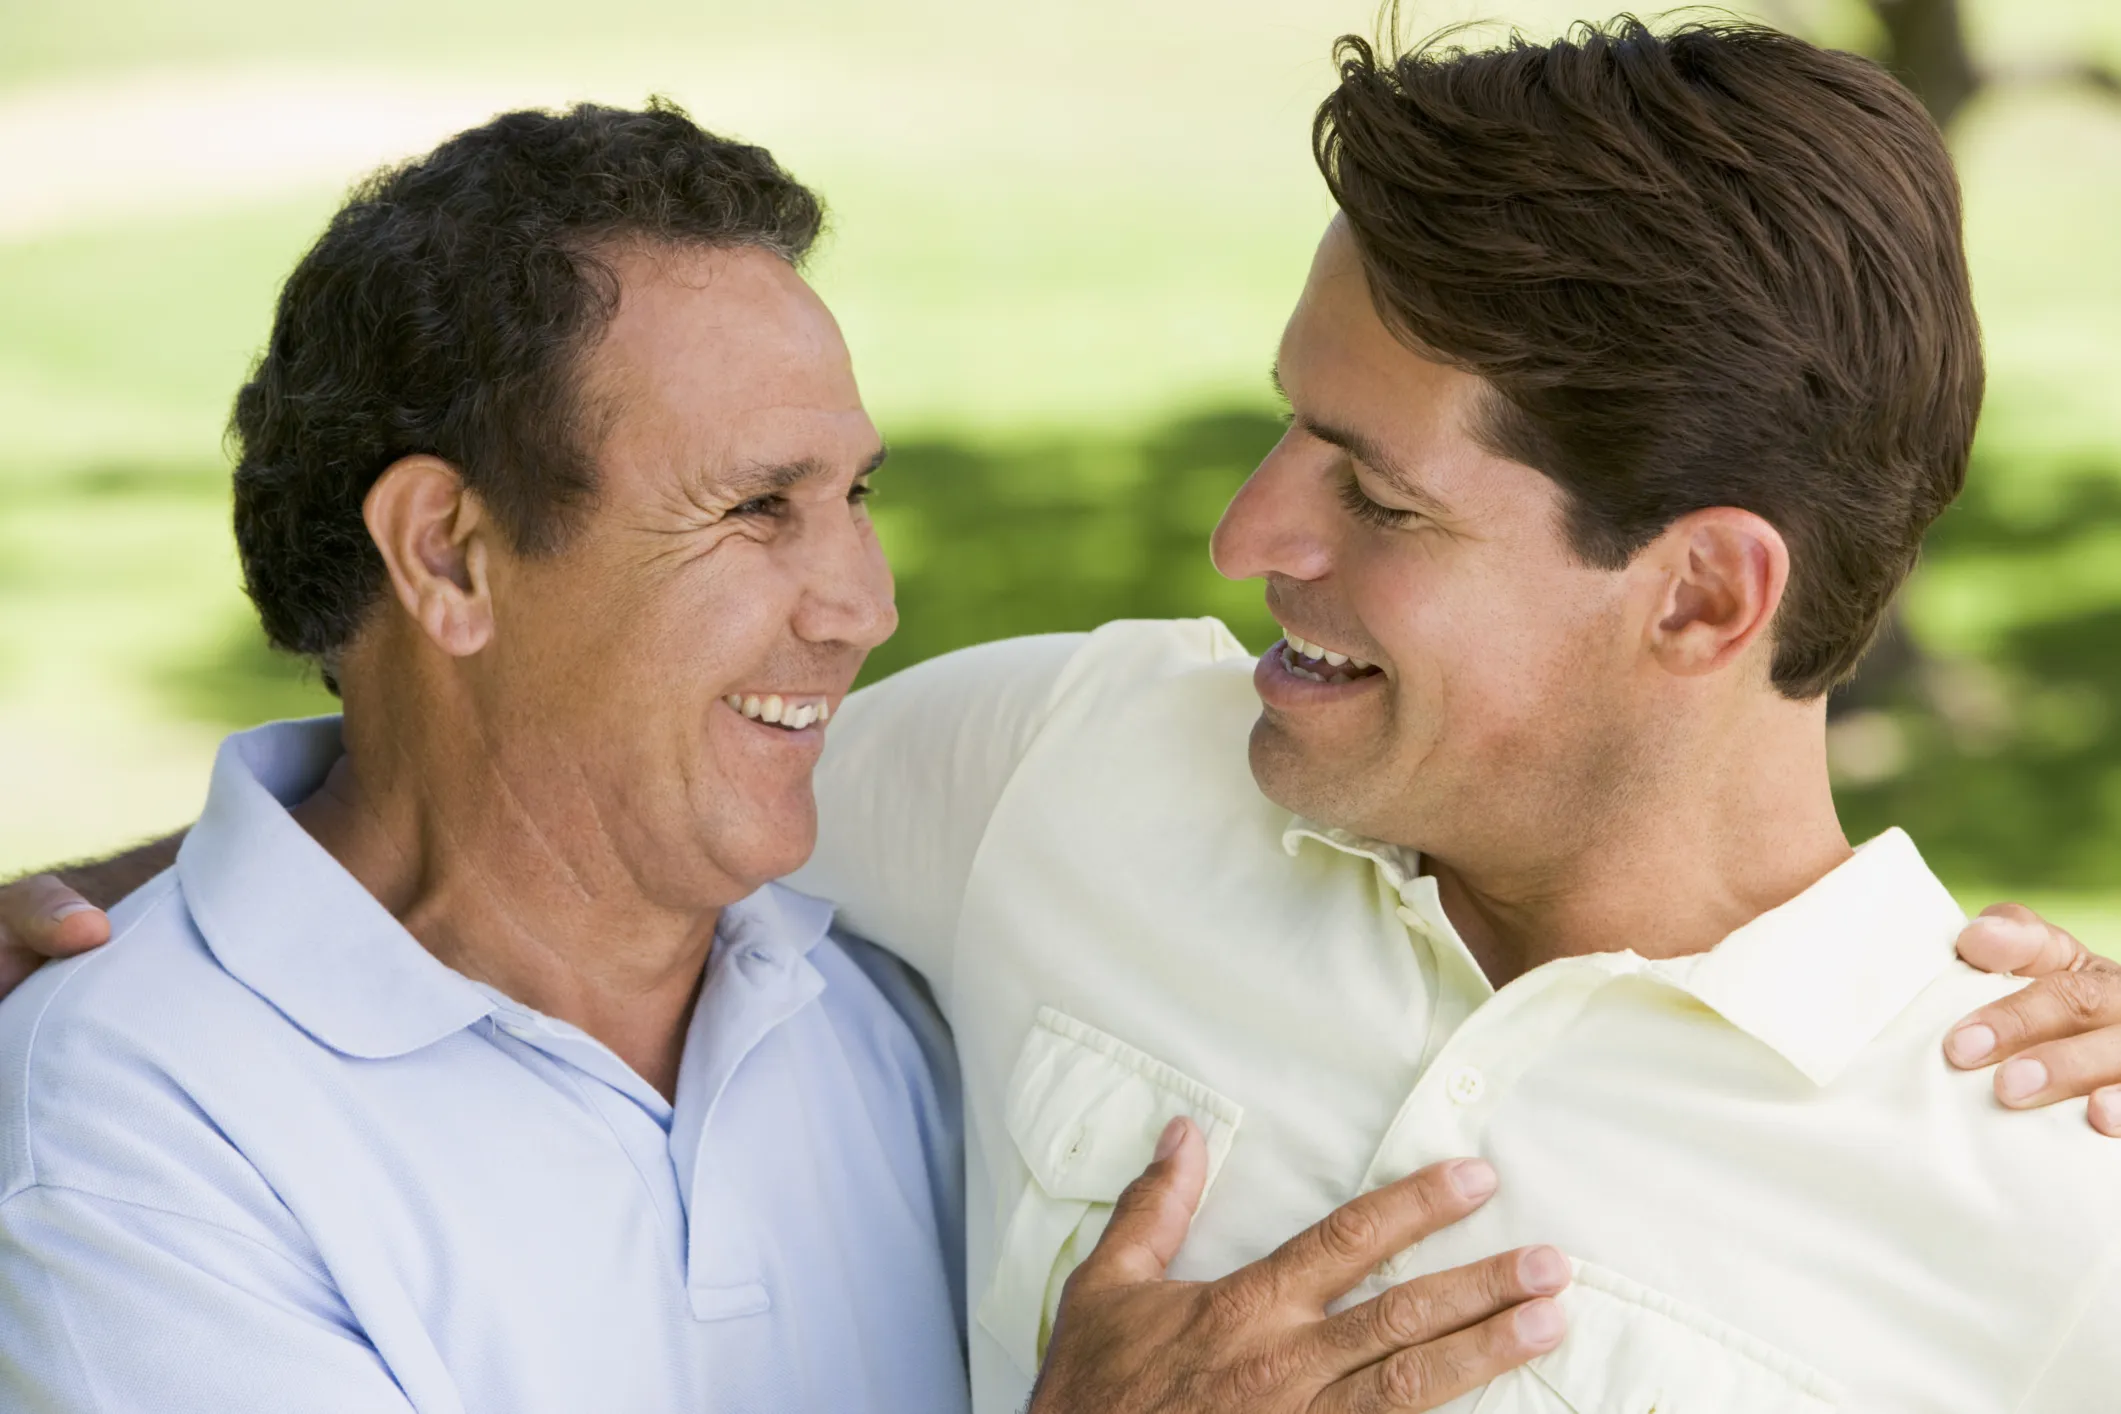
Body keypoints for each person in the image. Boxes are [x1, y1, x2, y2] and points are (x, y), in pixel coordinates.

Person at [13, 18, 2121, 1414]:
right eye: (1284, 430)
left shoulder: (2053, 1218)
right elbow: (525, 789)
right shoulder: (1075, 762)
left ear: (1701, 591)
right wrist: (109, 919)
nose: (1239, 534)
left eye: (1372, 496)